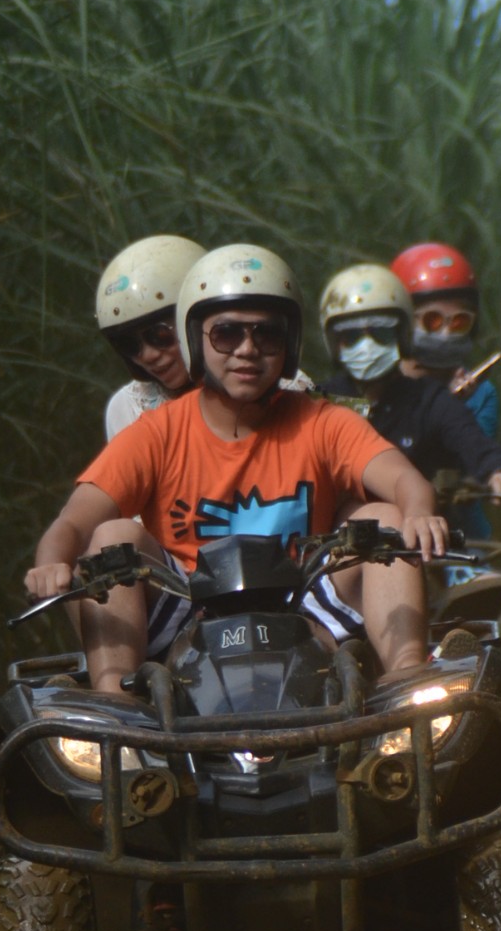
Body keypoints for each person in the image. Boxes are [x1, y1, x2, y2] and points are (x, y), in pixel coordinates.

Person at [27, 245, 449, 694]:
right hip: (190, 612)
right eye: (226, 334)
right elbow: (74, 519)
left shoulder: (324, 420)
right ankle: (116, 704)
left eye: (267, 335)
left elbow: (405, 480)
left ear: (289, 345)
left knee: (384, 519)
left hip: (302, 608)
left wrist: (419, 511)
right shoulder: (156, 432)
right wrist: (50, 563)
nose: (247, 350)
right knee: (112, 538)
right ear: (195, 339)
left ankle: (407, 684)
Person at [317, 264, 501, 516]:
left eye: (381, 333)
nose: (367, 346)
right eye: (351, 337)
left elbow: (472, 441)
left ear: (402, 336)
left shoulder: (430, 400)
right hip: (329, 543)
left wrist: (499, 470)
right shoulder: (318, 402)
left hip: (420, 539)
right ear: (334, 343)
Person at [96, 235, 207, 441]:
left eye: (160, 335)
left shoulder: (262, 379)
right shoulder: (128, 408)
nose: (148, 355)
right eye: (129, 345)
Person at [389, 241, 497, 433]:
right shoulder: (373, 385)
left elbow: (479, 458)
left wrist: (453, 409)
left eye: (459, 322)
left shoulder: (479, 394)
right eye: (432, 321)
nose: (446, 334)